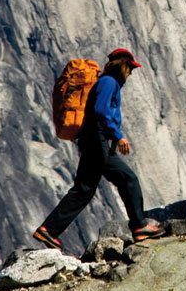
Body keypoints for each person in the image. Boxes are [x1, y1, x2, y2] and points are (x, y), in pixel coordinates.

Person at [32, 47, 164, 247]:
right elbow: (101, 110)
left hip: (93, 140)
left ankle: (48, 230)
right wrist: (118, 136)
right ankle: (139, 227)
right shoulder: (109, 82)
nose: (131, 72)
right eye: (131, 68)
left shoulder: (106, 82)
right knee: (127, 179)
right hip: (97, 139)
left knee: (86, 188)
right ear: (123, 65)